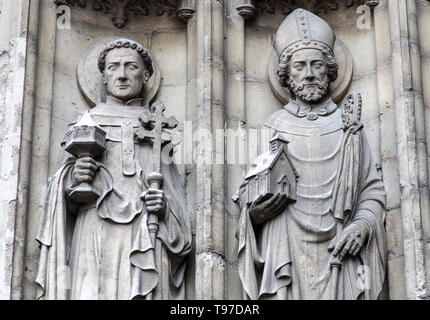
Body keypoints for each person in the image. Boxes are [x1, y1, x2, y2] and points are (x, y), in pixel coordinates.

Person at [236, 9, 387, 300]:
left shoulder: (349, 129)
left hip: (341, 251)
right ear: (286, 74)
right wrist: (254, 215)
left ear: (329, 70)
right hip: (286, 249)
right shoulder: (273, 127)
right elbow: (248, 193)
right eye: (299, 66)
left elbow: (372, 192)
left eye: (316, 65)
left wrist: (361, 225)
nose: (308, 74)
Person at [36, 38, 192, 300]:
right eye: (113, 67)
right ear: (103, 77)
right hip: (93, 230)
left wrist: (164, 208)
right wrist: (74, 176)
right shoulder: (86, 123)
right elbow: (56, 197)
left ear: (145, 75)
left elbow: (177, 206)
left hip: (143, 231)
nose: (121, 75)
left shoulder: (156, 128)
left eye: (131, 67)